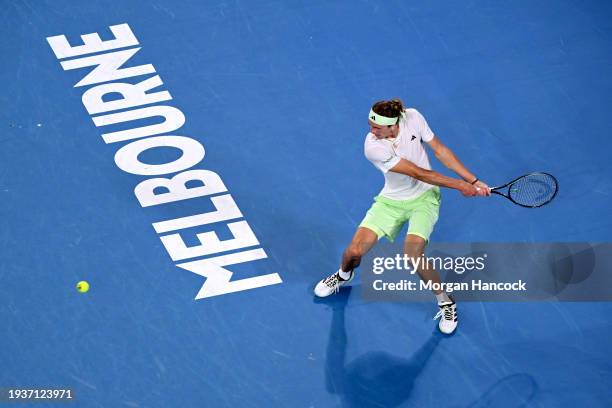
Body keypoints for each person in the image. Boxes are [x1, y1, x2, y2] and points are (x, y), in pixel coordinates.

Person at [313, 99, 491, 334]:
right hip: (391, 201)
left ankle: (446, 302)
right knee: (353, 252)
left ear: (393, 125)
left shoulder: (414, 117)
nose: (371, 131)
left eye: (377, 128)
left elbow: (440, 150)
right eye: (370, 125)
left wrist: (473, 180)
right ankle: (343, 275)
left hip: (425, 199)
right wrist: (459, 185)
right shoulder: (373, 147)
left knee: (413, 254)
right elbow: (418, 172)